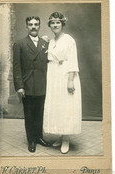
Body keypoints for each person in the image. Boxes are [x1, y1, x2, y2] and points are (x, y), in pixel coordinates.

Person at [43, 12, 82, 154]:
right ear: (50, 25)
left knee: (66, 106)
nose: (55, 25)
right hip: (54, 77)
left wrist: (70, 80)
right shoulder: (52, 41)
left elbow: (73, 60)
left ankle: (66, 139)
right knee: (57, 106)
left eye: (57, 22)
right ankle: (60, 135)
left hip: (66, 75)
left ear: (62, 24)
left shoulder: (69, 40)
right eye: (52, 23)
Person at [13, 16, 51, 153]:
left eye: (36, 24)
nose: (33, 27)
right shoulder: (20, 43)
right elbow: (16, 67)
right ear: (27, 27)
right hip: (27, 85)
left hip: (42, 84)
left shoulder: (45, 43)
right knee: (29, 114)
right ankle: (31, 140)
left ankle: (39, 137)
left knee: (40, 113)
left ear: (40, 26)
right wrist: (19, 86)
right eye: (30, 24)